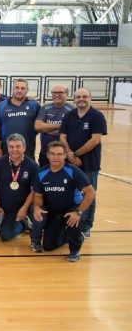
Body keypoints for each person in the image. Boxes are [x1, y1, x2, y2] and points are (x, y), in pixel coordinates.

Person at [32, 141, 96, 262]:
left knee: (73, 220)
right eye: (53, 154)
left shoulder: (73, 171)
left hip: (73, 209)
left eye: (59, 154)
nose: (56, 157)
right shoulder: (41, 173)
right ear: (47, 155)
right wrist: (36, 207)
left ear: (65, 155)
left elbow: (91, 192)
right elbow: (38, 195)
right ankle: (71, 235)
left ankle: (75, 249)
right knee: (49, 246)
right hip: (55, 213)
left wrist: (79, 212)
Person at [59, 87, 106, 238]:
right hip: (71, 162)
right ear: (74, 99)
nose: (81, 99)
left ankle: (86, 226)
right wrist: (70, 155)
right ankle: (71, 223)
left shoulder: (97, 116)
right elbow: (62, 137)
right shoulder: (69, 115)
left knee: (89, 194)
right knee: (70, 193)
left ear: (90, 98)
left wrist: (76, 154)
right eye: (78, 97)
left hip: (89, 164)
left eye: (84, 96)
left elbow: (95, 140)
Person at [0, 133, 41, 250]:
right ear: (7, 148)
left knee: (38, 209)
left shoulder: (32, 166)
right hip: (7, 208)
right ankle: (24, 224)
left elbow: (34, 191)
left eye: (18, 146)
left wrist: (24, 208)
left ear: (24, 148)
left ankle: (33, 231)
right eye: (11, 147)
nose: (14, 149)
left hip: (25, 206)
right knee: (5, 236)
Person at [0, 78, 41, 159]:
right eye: (17, 87)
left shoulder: (35, 105)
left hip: (28, 147)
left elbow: (40, 124)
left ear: (27, 90)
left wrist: (31, 132)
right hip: (7, 147)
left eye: (23, 88)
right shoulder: (2, 105)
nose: (19, 90)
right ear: (13, 89)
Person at [34, 85, 73, 168]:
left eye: (60, 93)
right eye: (54, 93)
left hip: (64, 155)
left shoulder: (72, 110)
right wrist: (62, 126)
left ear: (67, 94)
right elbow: (38, 126)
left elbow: (70, 131)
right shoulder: (45, 108)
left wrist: (45, 129)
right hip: (45, 153)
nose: (56, 95)